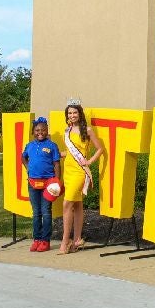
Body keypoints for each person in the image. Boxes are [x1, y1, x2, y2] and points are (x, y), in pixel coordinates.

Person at [59, 101, 105, 254]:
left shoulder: (88, 130)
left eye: (74, 112)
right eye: (69, 113)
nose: (72, 115)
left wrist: (89, 161)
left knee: (67, 204)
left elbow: (100, 149)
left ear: (80, 114)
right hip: (68, 170)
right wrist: (58, 154)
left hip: (80, 171)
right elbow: (70, 152)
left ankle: (65, 242)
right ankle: (77, 240)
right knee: (77, 205)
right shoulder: (67, 130)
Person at [21, 117, 61, 252]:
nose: (40, 132)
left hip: (48, 184)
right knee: (36, 213)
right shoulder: (29, 145)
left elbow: (56, 164)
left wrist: (57, 181)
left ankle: (45, 240)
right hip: (33, 184)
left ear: (47, 131)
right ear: (33, 132)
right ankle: (37, 239)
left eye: (43, 130)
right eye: (37, 130)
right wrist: (28, 168)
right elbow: (23, 157)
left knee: (46, 212)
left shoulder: (52, 146)